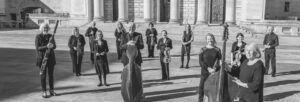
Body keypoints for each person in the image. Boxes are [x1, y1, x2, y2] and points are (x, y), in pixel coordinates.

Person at [35, 23, 57, 98]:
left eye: (47, 27)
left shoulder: (51, 36)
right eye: (44, 28)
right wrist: (46, 46)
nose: (46, 29)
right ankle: (44, 91)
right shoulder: (38, 36)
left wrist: (52, 46)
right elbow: (38, 48)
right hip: (42, 59)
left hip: (50, 59)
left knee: (51, 76)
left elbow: (55, 46)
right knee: (43, 76)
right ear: (41, 28)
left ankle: (51, 90)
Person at [198, 33, 222, 102]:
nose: (210, 40)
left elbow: (219, 61)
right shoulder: (202, 49)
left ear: (213, 39)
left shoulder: (217, 49)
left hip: (214, 72)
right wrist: (208, 69)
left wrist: (215, 69)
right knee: (201, 88)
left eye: (211, 38)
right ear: (206, 40)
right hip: (205, 72)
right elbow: (201, 62)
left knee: (214, 89)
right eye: (208, 39)